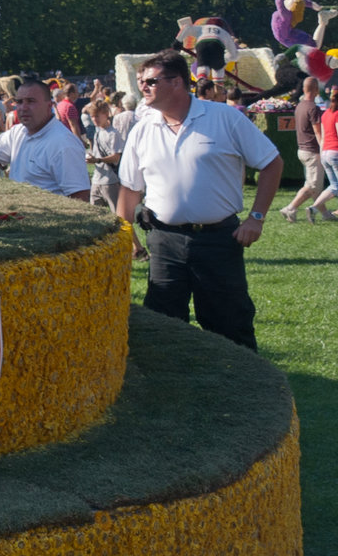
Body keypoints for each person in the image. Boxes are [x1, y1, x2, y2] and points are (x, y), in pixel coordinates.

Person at [116, 49, 282, 352]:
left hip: (218, 240)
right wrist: (124, 236)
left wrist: (256, 218)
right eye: (141, 82)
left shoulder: (224, 118)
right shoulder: (143, 129)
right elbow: (129, 189)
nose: (143, 87)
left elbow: (272, 162)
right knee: (163, 326)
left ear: (177, 81)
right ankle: (171, 390)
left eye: (151, 81)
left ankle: (241, 389)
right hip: (163, 240)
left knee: (229, 325)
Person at [279, 78, 325, 222]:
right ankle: (290, 208)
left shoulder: (300, 106)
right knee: (312, 185)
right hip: (312, 151)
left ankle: (325, 213)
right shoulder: (313, 108)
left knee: (315, 185)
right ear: (316, 89)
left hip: (302, 149)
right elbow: (318, 132)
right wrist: (323, 148)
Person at [306, 86, 338, 223]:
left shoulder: (325, 114)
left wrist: (322, 153)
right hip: (336, 152)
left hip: (326, 152)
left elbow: (322, 136)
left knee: (333, 186)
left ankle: (313, 208)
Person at [85, 100, 124, 211]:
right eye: (92, 116)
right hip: (97, 179)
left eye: (97, 116)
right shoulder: (97, 132)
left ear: (106, 115)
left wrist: (97, 160)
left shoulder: (113, 134)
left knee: (118, 216)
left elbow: (116, 156)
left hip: (110, 181)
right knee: (94, 215)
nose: (94, 119)